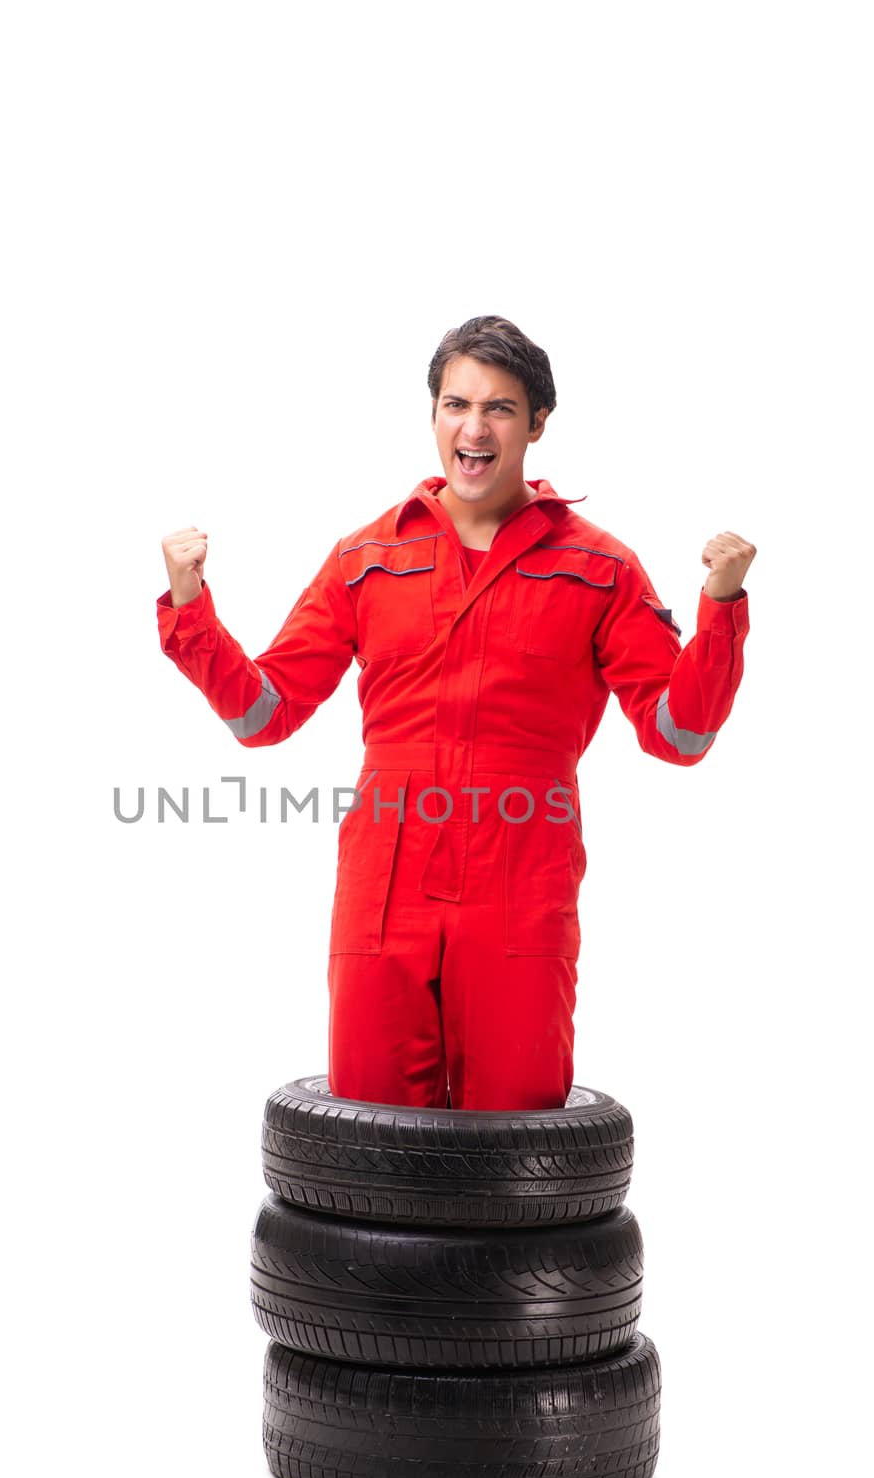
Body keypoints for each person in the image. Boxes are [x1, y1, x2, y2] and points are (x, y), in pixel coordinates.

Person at [155, 315, 756, 1111]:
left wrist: (720, 606)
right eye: (455, 404)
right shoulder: (367, 559)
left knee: (517, 1131)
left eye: (500, 408)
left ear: (537, 424)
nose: (474, 428)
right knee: (369, 1131)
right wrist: (191, 605)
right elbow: (265, 712)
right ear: (434, 414)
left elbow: (678, 733)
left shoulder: (600, 567)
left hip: (522, 877)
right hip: (385, 880)